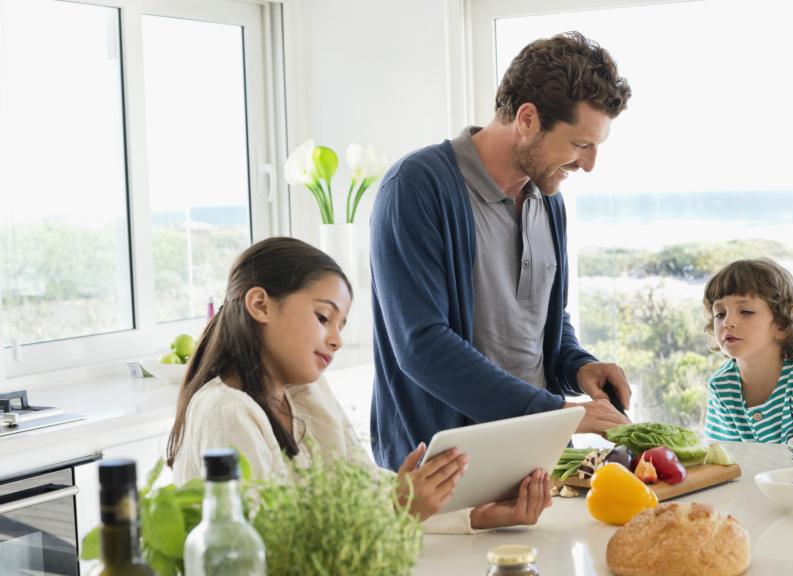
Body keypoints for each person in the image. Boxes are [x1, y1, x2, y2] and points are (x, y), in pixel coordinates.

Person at [370, 32, 635, 470]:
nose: (588, 165)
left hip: (534, 461)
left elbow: (542, 319)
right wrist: (556, 414)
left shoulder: (548, 199)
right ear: (528, 118)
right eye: (579, 144)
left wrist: (578, 367)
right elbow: (422, 345)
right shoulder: (416, 188)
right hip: (440, 473)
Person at [166, 237, 551, 533]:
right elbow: (267, 549)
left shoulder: (306, 394)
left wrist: (476, 515)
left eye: (341, 326)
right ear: (260, 305)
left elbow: (366, 493)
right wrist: (398, 510)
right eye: (323, 318)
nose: (335, 339)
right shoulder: (225, 411)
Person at [702, 258, 793, 443]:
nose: (727, 322)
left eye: (745, 311)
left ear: (782, 325)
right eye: (720, 314)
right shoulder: (720, 384)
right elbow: (725, 457)